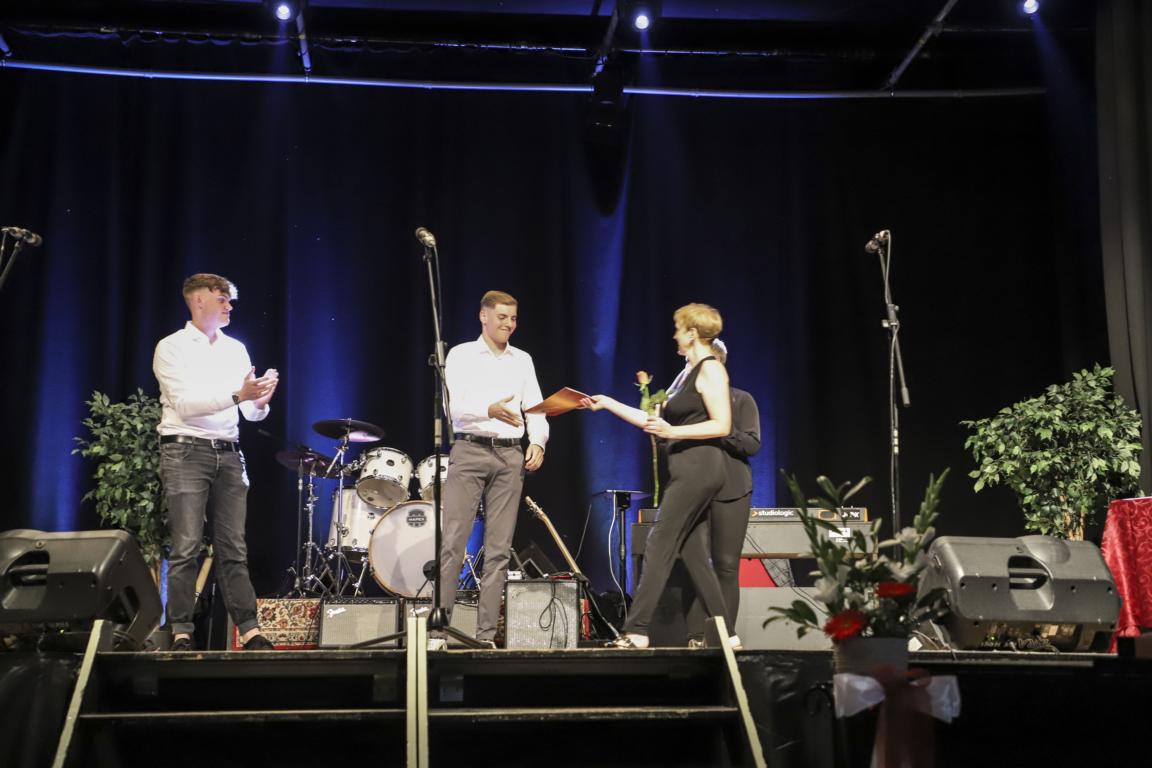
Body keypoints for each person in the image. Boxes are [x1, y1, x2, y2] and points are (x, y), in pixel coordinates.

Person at [580, 303, 736, 648]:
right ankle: (728, 634)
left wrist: (674, 432)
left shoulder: (711, 369)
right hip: (688, 468)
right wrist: (607, 403)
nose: (675, 335)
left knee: (658, 542)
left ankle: (636, 630)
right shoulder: (687, 375)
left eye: (679, 329)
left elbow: (723, 424)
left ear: (692, 333)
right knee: (694, 555)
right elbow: (653, 421)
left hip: (699, 469)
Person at [153, 273, 279, 651]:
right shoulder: (171, 347)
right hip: (185, 451)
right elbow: (185, 406)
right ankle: (181, 630)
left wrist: (259, 401)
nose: (229, 306)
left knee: (233, 546)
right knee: (187, 545)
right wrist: (239, 395)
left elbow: (250, 414)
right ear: (198, 300)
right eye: (222, 299)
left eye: (229, 300)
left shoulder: (235, 349)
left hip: (228, 452)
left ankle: (249, 629)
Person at [438, 290, 548, 647]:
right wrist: (489, 409)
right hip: (470, 450)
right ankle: (440, 630)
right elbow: (453, 408)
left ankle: (485, 635)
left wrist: (537, 441)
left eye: (513, 318)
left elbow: (536, 408)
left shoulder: (522, 359)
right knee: (453, 543)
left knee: (499, 549)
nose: (509, 324)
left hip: (509, 455)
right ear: (483, 316)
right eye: (502, 317)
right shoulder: (461, 354)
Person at [684, 340, 761, 647]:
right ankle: (695, 636)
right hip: (694, 489)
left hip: (732, 490)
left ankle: (721, 639)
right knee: (697, 564)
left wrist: (720, 426)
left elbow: (752, 444)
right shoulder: (684, 405)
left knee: (726, 565)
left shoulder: (741, 399)